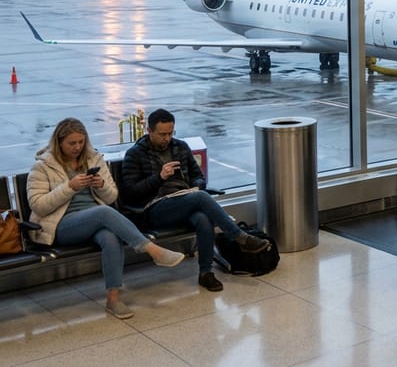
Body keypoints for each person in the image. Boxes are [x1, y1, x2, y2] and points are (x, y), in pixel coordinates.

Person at [27, 118, 187, 319]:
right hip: (60, 225)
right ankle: (152, 250)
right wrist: (69, 187)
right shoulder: (43, 167)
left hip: (95, 220)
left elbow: (112, 197)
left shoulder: (93, 159)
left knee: (110, 237)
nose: (78, 147)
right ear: (59, 143)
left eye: (81, 142)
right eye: (72, 143)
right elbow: (38, 205)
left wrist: (100, 185)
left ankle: (113, 299)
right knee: (103, 213)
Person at [121, 109, 270, 292]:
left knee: (202, 218)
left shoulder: (180, 147)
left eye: (170, 133)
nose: (167, 138)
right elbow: (130, 193)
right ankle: (238, 236)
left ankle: (206, 273)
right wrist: (159, 178)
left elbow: (198, 176)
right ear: (149, 131)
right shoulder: (135, 154)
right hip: (155, 207)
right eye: (162, 134)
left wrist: (196, 186)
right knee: (200, 198)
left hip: (185, 200)